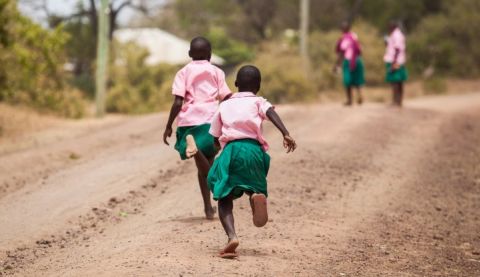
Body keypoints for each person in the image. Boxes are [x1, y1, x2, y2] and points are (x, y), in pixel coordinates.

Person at [207, 65, 297, 258]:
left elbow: (215, 134)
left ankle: (232, 236)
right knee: (252, 182)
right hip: (255, 152)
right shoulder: (259, 101)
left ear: (236, 84)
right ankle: (256, 195)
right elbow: (271, 112)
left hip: (232, 151)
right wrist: (286, 133)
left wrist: (217, 147)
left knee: (224, 196)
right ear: (258, 85)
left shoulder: (225, 104)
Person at [163, 37, 232, 220]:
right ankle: (216, 195)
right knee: (209, 160)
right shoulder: (217, 72)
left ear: (189, 54)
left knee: (202, 167)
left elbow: (178, 101)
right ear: (210, 54)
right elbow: (226, 97)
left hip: (189, 122)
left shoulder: (183, 72)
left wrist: (169, 125)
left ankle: (208, 208)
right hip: (211, 120)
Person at [334, 21, 365, 106]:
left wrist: (337, 65)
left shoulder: (344, 38)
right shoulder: (354, 36)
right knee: (357, 80)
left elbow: (341, 53)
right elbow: (359, 50)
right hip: (358, 60)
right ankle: (360, 95)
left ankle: (350, 100)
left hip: (349, 61)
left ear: (342, 29)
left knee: (347, 81)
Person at [384, 20, 408, 107]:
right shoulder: (395, 34)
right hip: (399, 60)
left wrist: (394, 62)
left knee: (395, 81)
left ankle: (396, 101)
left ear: (393, 26)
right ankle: (398, 101)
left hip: (395, 61)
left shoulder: (396, 35)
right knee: (398, 81)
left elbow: (397, 49)